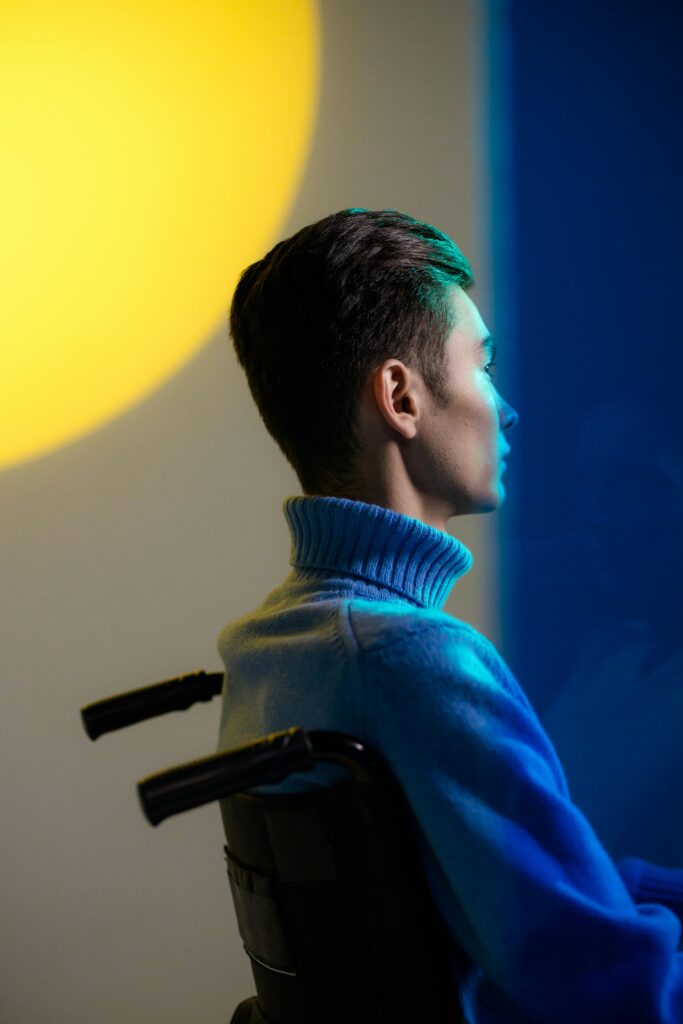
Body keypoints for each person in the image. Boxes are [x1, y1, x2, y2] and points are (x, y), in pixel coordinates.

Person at [216, 208, 683, 1022]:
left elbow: (498, 898)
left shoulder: (271, 647)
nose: (506, 409)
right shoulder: (409, 660)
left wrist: (634, 889)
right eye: (483, 366)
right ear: (400, 395)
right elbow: (610, 990)